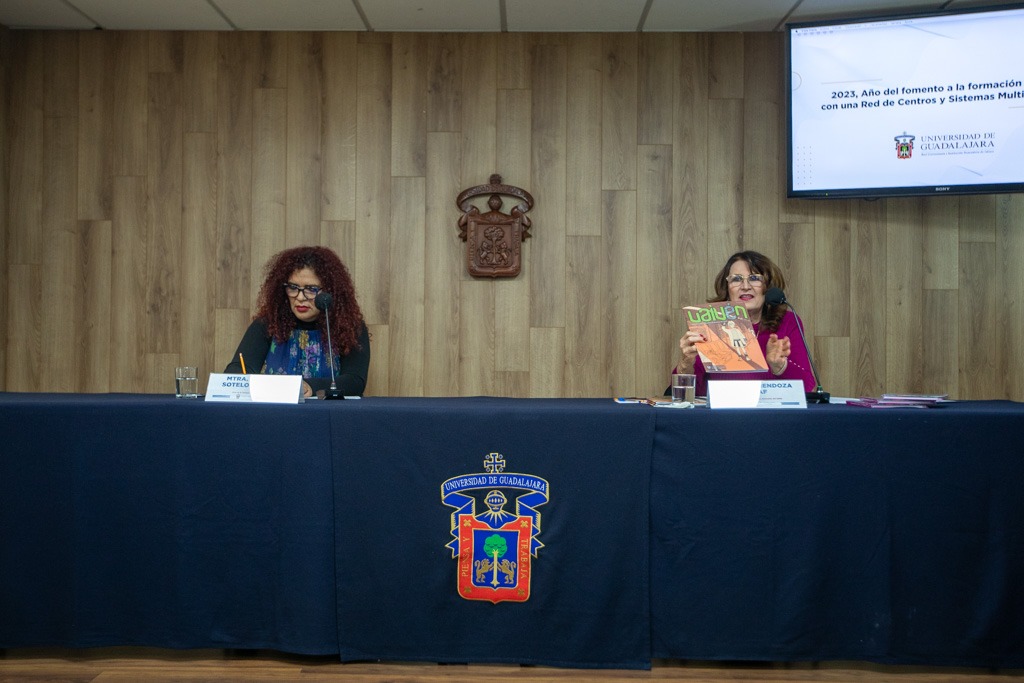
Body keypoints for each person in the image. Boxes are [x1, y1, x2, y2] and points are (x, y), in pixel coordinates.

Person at [225, 246, 370, 397]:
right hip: (275, 414)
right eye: (293, 288)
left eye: (311, 289)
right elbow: (236, 371)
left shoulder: (350, 328)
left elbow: (354, 381)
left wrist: (310, 386)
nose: (300, 297)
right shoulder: (268, 323)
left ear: (330, 292)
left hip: (328, 416)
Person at [675, 250, 816, 395]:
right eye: (736, 279)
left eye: (754, 278)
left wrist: (780, 366)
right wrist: (685, 364)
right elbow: (685, 395)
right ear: (727, 288)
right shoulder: (710, 324)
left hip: (770, 415)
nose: (745, 286)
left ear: (768, 286)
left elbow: (808, 387)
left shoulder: (787, 321)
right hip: (721, 414)